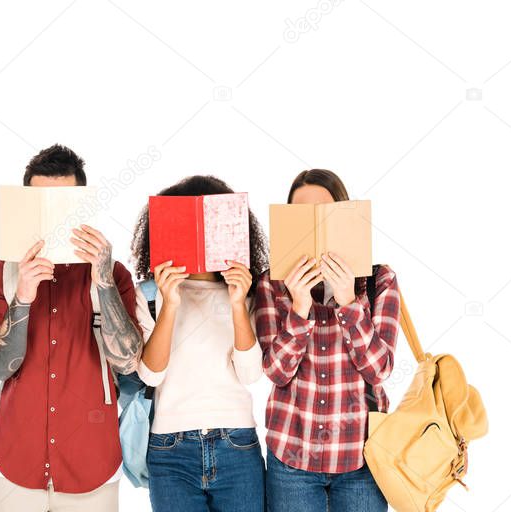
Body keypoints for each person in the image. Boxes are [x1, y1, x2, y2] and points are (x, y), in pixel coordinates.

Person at [0, 144, 144, 511]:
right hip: (14, 463)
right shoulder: (2, 272)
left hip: (92, 462)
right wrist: (22, 296)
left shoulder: (113, 273)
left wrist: (102, 279)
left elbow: (129, 361)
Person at [255, 169, 399, 512]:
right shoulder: (271, 284)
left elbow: (379, 370)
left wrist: (349, 301)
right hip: (291, 457)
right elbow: (276, 373)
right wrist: (300, 306)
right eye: (301, 215)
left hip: (361, 460)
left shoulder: (379, 279)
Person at [129, 176, 268, 512]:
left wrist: (237, 303)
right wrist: (171, 302)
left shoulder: (247, 294)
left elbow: (250, 374)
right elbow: (150, 375)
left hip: (237, 444)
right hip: (170, 450)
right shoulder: (149, 295)